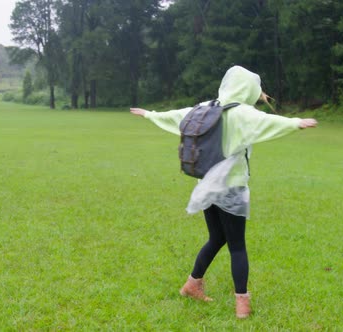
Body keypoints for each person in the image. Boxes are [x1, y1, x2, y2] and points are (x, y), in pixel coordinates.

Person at [130, 65, 317, 319]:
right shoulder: (242, 114)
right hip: (231, 188)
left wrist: (150, 114)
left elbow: (178, 117)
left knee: (217, 238)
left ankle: (192, 285)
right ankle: (242, 304)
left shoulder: (206, 107)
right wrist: (297, 123)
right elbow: (268, 122)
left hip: (206, 185)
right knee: (237, 245)